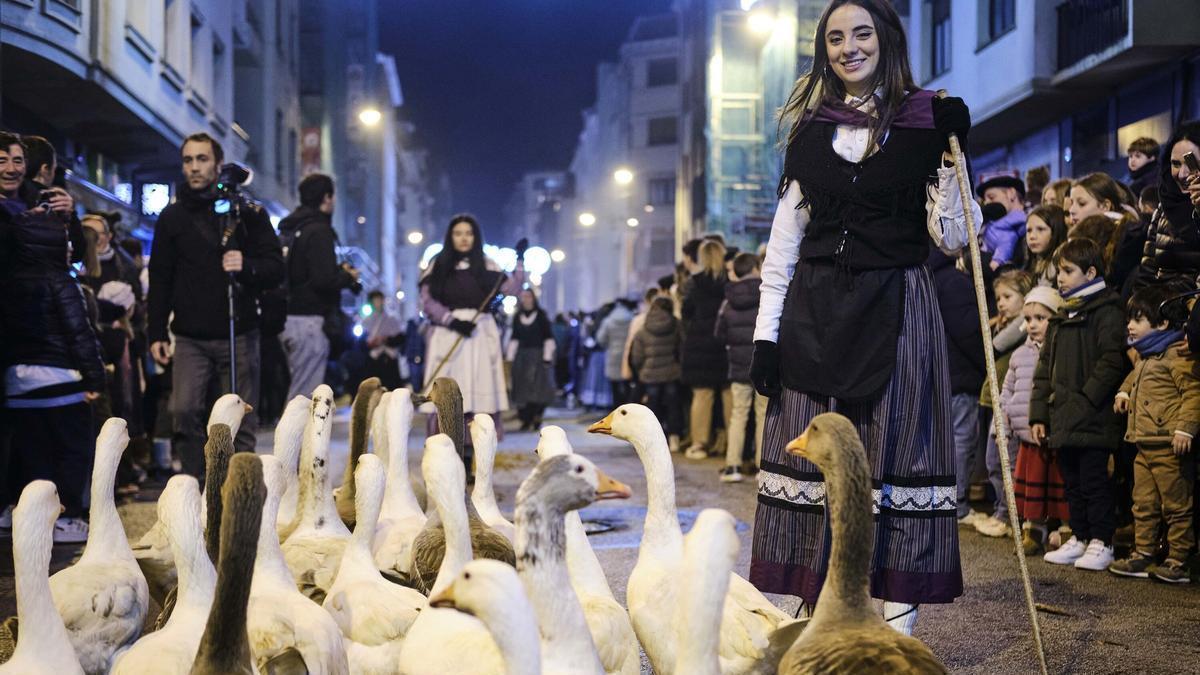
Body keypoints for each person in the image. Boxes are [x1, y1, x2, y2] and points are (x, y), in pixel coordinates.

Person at [747, 0, 979, 634]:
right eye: (835, 38)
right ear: (825, 50)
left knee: (895, 463)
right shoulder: (810, 130)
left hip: (900, 311)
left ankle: (894, 637)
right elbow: (782, 250)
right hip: (815, 312)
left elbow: (956, 239)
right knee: (807, 460)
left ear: (886, 40)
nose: (849, 47)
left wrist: (956, 154)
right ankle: (804, 626)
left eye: (862, 34)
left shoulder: (924, 121)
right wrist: (765, 338)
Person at [147, 132, 283, 480]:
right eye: (188, 160)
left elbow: (274, 268)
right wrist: (156, 331)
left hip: (238, 331)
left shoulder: (247, 212)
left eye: (202, 159)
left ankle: (241, 489)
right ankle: (197, 486)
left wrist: (246, 265)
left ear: (218, 164)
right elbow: (160, 277)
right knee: (184, 410)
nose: (194, 167)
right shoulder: (172, 217)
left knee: (241, 416)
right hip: (190, 335)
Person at [0, 131, 105, 543]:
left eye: (16, 160)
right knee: (51, 443)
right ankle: (47, 510)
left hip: (20, 352)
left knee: (28, 440)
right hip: (26, 349)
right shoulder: (59, 284)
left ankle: (27, 508)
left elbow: (73, 254)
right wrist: (95, 378)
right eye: (2, 160)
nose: (10, 168)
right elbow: (80, 332)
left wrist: (70, 218)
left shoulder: (39, 201)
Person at [1032, 238, 1128, 571]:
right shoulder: (1063, 315)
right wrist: (1039, 412)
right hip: (1065, 414)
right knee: (1071, 480)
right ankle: (1082, 535)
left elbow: (1112, 360)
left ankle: (1102, 541)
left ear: (1091, 272)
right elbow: (1045, 368)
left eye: (1068, 271)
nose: (1061, 277)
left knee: (1094, 481)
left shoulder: (1107, 311)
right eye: (1059, 270)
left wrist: (1086, 397)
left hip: (1092, 414)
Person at [1108, 285, 1198, 584]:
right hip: (1143, 443)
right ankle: (1143, 552)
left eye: (1138, 319)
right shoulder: (1148, 356)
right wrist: (1124, 390)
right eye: (1130, 319)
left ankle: (1178, 559)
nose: (1130, 325)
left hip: (1168, 444)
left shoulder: (1177, 356)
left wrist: (1185, 427)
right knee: (1143, 502)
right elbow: (1136, 376)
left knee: (1175, 505)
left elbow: (1193, 393)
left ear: (1162, 323)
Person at [419, 214, 525, 432]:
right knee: (449, 387)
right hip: (447, 334)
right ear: (450, 237)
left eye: (469, 233)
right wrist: (451, 320)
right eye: (458, 233)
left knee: (479, 387)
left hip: (480, 333)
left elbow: (512, 288)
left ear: (476, 237)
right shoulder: (438, 265)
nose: (464, 238)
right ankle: (445, 442)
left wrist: (520, 261)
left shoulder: (487, 264)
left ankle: (473, 449)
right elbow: (427, 300)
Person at [278, 173, 360, 400]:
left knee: (297, 390)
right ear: (326, 198)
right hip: (310, 322)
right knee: (302, 399)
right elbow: (323, 280)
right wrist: (346, 276)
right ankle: (293, 437)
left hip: (286, 319)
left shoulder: (290, 228)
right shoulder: (319, 230)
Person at [1001, 286, 1068, 556]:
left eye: (1041, 318)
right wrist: (1004, 423)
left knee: (1059, 485)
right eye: (1028, 319)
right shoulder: (1019, 355)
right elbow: (1006, 391)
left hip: (1052, 433)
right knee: (1032, 487)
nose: (1032, 325)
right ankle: (1033, 529)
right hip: (1026, 435)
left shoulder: (1061, 352)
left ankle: (1066, 529)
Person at [974, 269, 1035, 538]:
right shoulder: (1001, 324)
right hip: (997, 401)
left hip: (1013, 407)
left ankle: (1008, 515)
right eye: (998, 297)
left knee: (1006, 461)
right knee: (993, 461)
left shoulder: (1023, 330)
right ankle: (1003, 511)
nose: (1001, 303)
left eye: (1008, 296)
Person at [927, 247, 986, 528]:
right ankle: (957, 503)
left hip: (936, 374)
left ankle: (939, 499)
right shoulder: (952, 280)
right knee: (960, 439)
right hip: (959, 375)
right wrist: (985, 364)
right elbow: (969, 330)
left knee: (939, 441)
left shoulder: (923, 277)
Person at [715, 252, 767, 483]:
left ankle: (732, 465)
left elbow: (719, 334)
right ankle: (761, 468)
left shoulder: (729, 299)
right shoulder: (767, 292)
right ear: (756, 267)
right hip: (762, 364)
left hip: (737, 366)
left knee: (738, 414)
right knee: (763, 414)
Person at [681, 238, 731, 461]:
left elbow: (686, 312)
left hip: (700, 345)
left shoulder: (695, 282)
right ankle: (731, 443)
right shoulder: (730, 282)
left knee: (702, 396)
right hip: (724, 344)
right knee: (729, 396)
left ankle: (699, 443)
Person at [1135, 120, 1200, 292]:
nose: (1182, 174)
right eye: (1176, 164)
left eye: (1192, 163)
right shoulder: (1163, 209)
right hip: (1159, 310)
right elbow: (1146, 273)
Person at [1069, 172, 1143, 291]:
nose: (1071, 210)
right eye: (1071, 203)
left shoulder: (1127, 241)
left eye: (1081, 204)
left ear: (1105, 206)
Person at [630, 295, 684, 451]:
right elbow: (681, 348)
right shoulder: (676, 325)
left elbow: (637, 356)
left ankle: (654, 441)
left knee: (652, 408)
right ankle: (674, 438)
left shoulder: (644, 327)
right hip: (671, 373)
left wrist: (641, 370)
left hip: (649, 374)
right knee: (673, 406)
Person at [506, 288, 556, 430]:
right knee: (522, 389)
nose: (526, 299)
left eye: (528, 296)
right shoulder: (517, 317)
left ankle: (536, 417)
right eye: (524, 297)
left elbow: (548, 337)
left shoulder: (541, 316)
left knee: (539, 389)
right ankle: (525, 419)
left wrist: (547, 357)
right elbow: (514, 337)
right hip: (522, 357)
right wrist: (510, 357)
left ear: (533, 299)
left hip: (538, 357)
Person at [976, 175, 1027, 269]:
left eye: (991, 197)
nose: (987, 204)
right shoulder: (986, 225)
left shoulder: (1028, 227)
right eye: (985, 200)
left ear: (1011, 193)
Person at [361, 290, 406, 390]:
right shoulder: (366, 321)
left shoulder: (392, 319)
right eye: (376, 300)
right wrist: (371, 343)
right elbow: (361, 344)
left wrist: (386, 339)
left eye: (380, 299)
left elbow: (400, 338)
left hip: (390, 359)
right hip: (374, 361)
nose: (379, 302)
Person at [596, 297, 635, 407]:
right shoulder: (632, 319)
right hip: (627, 357)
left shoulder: (608, 321)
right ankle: (627, 410)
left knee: (614, 388)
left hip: (612, 356)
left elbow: (601, 339)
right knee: (627, 386)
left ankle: (615, 409)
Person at [1022, 204, 1069, 287]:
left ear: (1056, 232)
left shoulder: (1062, 266)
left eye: (1040, 229)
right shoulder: (1029, 268)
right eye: (1029, 230)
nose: (1032, 236)